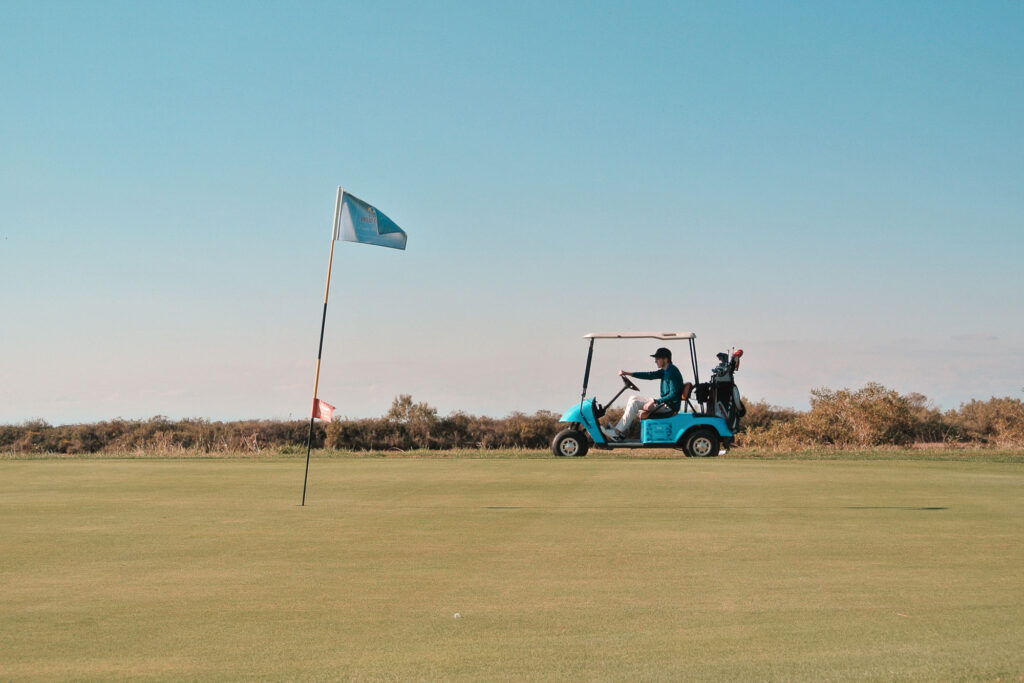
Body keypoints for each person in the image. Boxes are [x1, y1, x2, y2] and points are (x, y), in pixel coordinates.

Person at [601, 347, 685, 440]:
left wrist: (655, 401)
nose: (655, 361)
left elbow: (674, 394)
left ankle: (617, 433)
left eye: (657, 358)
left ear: (665, 359)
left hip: (669, 407)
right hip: (664, 404)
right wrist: (628, 373)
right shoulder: (665, 371)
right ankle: (619, 430)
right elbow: (649, 375)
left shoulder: (672, 372)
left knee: (634, 403)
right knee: (633, 398)